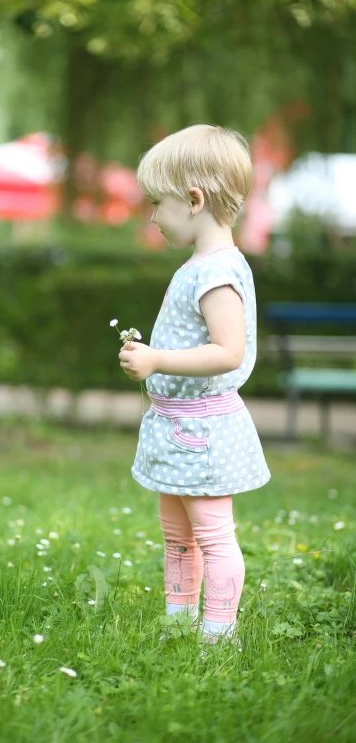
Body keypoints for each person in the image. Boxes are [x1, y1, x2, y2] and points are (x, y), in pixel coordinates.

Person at [118, 124, 271, 647]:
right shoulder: (201, 266)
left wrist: (157, 357)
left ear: (194, 199)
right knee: (177, 536)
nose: (153, 216)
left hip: (202, 433)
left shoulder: (218, 273)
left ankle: (217, 636)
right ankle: (178, 624)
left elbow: (227, 350)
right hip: (177, 426)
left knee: (212, 536)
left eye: (156, 203)